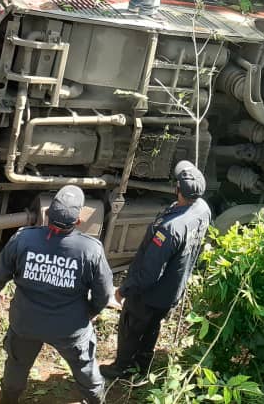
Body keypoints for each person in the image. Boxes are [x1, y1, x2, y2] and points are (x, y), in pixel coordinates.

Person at [0, 185, 114, 404]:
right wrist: (89, 312)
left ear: (46, 215)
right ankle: (96, 400)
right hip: (70, 327)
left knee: (17, 365)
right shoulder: (91, 250)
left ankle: (8, 400)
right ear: (79, 221)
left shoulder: (23, 239)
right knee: (85, 368)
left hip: (26, 323)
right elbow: (104, 293)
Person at [101, 160, 212, 379]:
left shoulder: (169, 229)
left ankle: (121, 367)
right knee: (151, 327)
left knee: (131, 328)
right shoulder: (203, 209)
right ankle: (142, 366)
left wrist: (123, 291)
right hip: (172, 290)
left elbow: (150, 273)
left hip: (150, 294)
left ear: (177, 189)